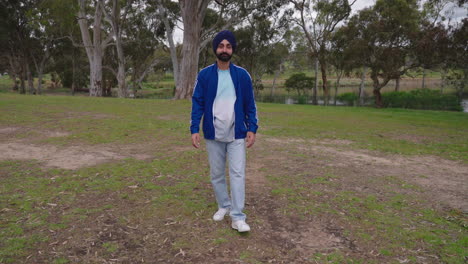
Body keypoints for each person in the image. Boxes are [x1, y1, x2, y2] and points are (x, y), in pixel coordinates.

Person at [190, 30, 258, 232]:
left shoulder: (242, 75)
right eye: (221, 46)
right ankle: (224, 205)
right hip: (213, 133)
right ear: (215, 49)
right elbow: (197, 103)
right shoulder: (204, 75)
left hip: (237, 133)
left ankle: (238, 217)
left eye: (228, 46)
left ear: (233, 50)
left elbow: (250, 104)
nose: (225, 49)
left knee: (237, 174)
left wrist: (252, 127)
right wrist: (194, 128)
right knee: (217, 174)